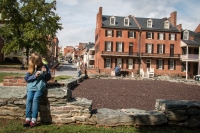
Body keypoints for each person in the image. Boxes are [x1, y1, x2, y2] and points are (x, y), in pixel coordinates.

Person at [23, 53, 51, 128]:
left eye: (38, 60)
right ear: (33, 61)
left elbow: (48, 78)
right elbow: (27, 79)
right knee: (29, 100)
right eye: (36, 61)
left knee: (35, 99)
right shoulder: (31, 67)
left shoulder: (44, 66)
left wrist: (45, 73)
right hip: (31, 87)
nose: (38, 62)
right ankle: (28, 118)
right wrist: (35, 76)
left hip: (40, 87)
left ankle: (34, 120)